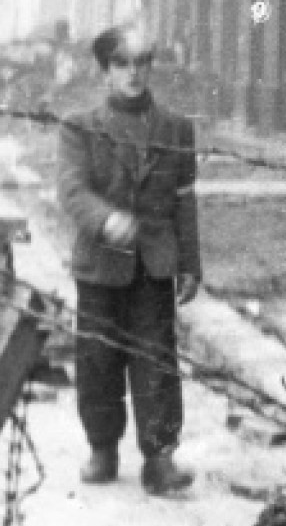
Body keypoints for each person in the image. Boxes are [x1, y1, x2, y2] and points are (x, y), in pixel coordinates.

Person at [57, 27, 202, 495]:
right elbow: (73, 191)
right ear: (106, 72)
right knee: (98, 358)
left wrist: (190, 263)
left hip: (153, 264)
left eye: (141, 62)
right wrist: (107, 221)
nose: (133, 73)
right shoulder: (80, 127)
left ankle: (159, 458)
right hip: (101, 263)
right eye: (122, 64)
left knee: (156, 358)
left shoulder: (175, 128)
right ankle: (102, 447)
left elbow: (184, 199)